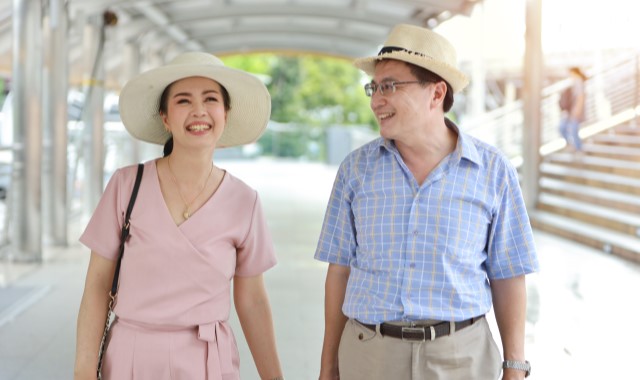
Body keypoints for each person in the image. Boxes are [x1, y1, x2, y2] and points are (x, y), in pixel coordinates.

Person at [315, 24, 539, 380]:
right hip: (369, 356)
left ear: (436, 93)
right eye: (374, 87)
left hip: (462, 358)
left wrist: (515, 366)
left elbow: (509, 274)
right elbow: (339, 270)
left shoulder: (493, 171)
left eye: (389, 86)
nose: (376, 100)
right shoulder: (355, 170)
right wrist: (328, 366)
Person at [74, 52, 284, 380]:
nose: (198, 111)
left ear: (225, 114)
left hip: (207, 362)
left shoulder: (245, 201)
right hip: (131, 356)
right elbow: (98, 284)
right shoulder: (126, 185)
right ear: (166, 118)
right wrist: (84, 369)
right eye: (183, 101)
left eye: (210, 99)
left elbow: (253, 300)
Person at [558, 66, 588, 152]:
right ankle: (574, 146)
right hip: (570, 111)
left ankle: (578, 148)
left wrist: (577, 110)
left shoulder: (578, 81)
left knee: (573, 129)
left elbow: (580, 97)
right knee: (563, 128)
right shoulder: (574, 82)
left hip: (575, 111)